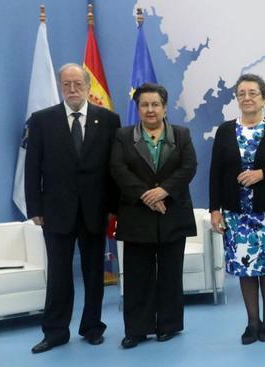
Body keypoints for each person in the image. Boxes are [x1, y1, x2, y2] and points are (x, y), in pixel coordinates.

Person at [25, 63, 120, 354]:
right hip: (55, 212)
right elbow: (32, 168)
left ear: (88, 86)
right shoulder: (41, 120)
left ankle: (92, 327)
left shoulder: (108, 120)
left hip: (95, 211)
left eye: (77, 83)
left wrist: (114, 208)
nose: (72, 89)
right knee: (59, 275)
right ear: (60, 87)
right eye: (66, 84)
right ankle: (55, 332)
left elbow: (113, 169)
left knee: (94, 275)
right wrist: (35, 207)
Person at [209, 74, 265, 345]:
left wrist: (262, 174)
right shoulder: (224, 130)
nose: (247, 98)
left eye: (253, 93)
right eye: (242, 93)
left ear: (264, 98)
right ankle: (252, 322)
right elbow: (215, 172)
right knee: (245, 270)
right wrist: (214, 209)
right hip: (236, 214)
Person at [109, 83, 197, 349]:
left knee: (170, 274)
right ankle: (137, 329)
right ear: (138, 108)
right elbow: (118, 168)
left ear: (164, 107)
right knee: (137, 276)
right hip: (136, 215)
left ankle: (168, 325)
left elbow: (189, 167)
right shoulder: (123, 136)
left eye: (155, 104)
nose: (150, 109)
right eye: (144, 105)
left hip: (173, 213)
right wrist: (147, 195)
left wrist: (163, 192)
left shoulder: (181, 134)